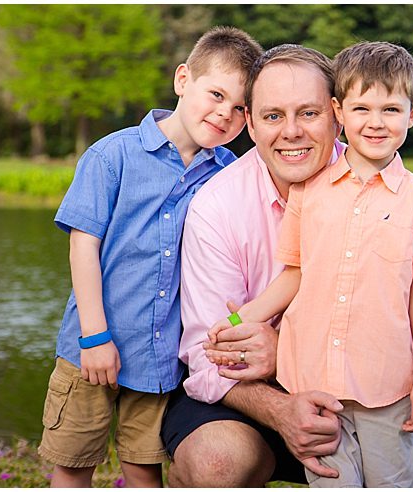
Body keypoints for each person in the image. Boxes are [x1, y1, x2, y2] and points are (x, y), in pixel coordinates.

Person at [163, 44, 413, 487]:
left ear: (335, 115)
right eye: (273, 116)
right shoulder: (217, 206)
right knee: (217, 459)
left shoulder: (384, 185)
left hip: (359, 382)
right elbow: (210, 355)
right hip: (247, 395)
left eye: (309, 113)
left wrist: (280, 348)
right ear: (250, 122)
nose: (292, 132)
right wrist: (282, 406)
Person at [37, 27, 263, 487]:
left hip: (160, 361)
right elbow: (83, 246)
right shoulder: (112, 156)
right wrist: (94, 336)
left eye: (240, 107)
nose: (225, 113)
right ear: (184, 80)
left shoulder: (228, 175)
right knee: (72, 463)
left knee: (145, 467)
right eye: (216, 94)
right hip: (92, 347)